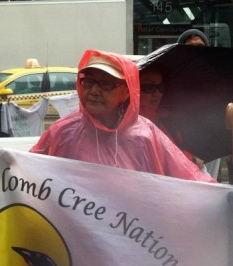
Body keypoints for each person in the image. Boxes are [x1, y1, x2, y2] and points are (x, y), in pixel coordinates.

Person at [30, 49, 215, 182]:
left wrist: (219, 196)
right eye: (88, 81)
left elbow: (188, 177)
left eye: (106, 84)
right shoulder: (62, 132)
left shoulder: (146, 136)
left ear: (127, 92)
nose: (94, 91)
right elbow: (27, 172)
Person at [139, 66, 204, 169]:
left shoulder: (167, 119)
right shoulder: (126, 123)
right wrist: (192, 160)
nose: (157, 94)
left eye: (161, 88)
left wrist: (192, 160)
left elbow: (176, 148)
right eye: (149, 87)